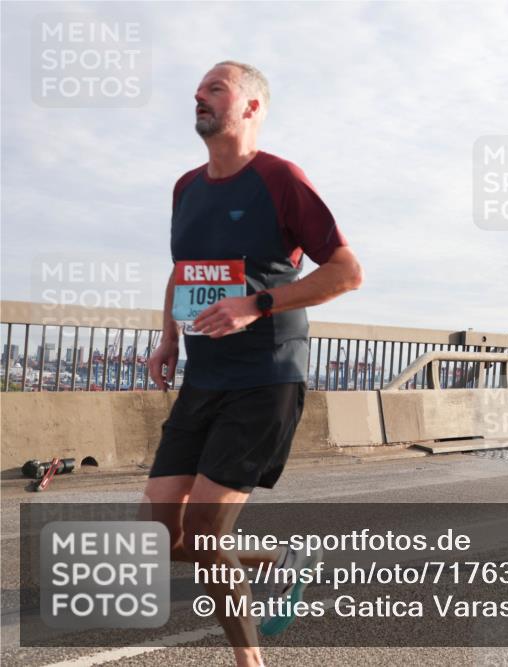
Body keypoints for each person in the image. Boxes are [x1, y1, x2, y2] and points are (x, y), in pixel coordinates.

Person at [141, 61, 363, 667]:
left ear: (251, 108)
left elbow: (346, 272)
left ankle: (249, 662)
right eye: (198, 88)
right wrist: (166, 340)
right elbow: (182, 269)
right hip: (202, 376)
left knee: (210, 534)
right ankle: (283, 560)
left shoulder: (280, 178)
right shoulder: (186, 187)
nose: (198, 94)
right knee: (160, 535)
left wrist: (256, 304)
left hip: (266, 373)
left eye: (216, 88)